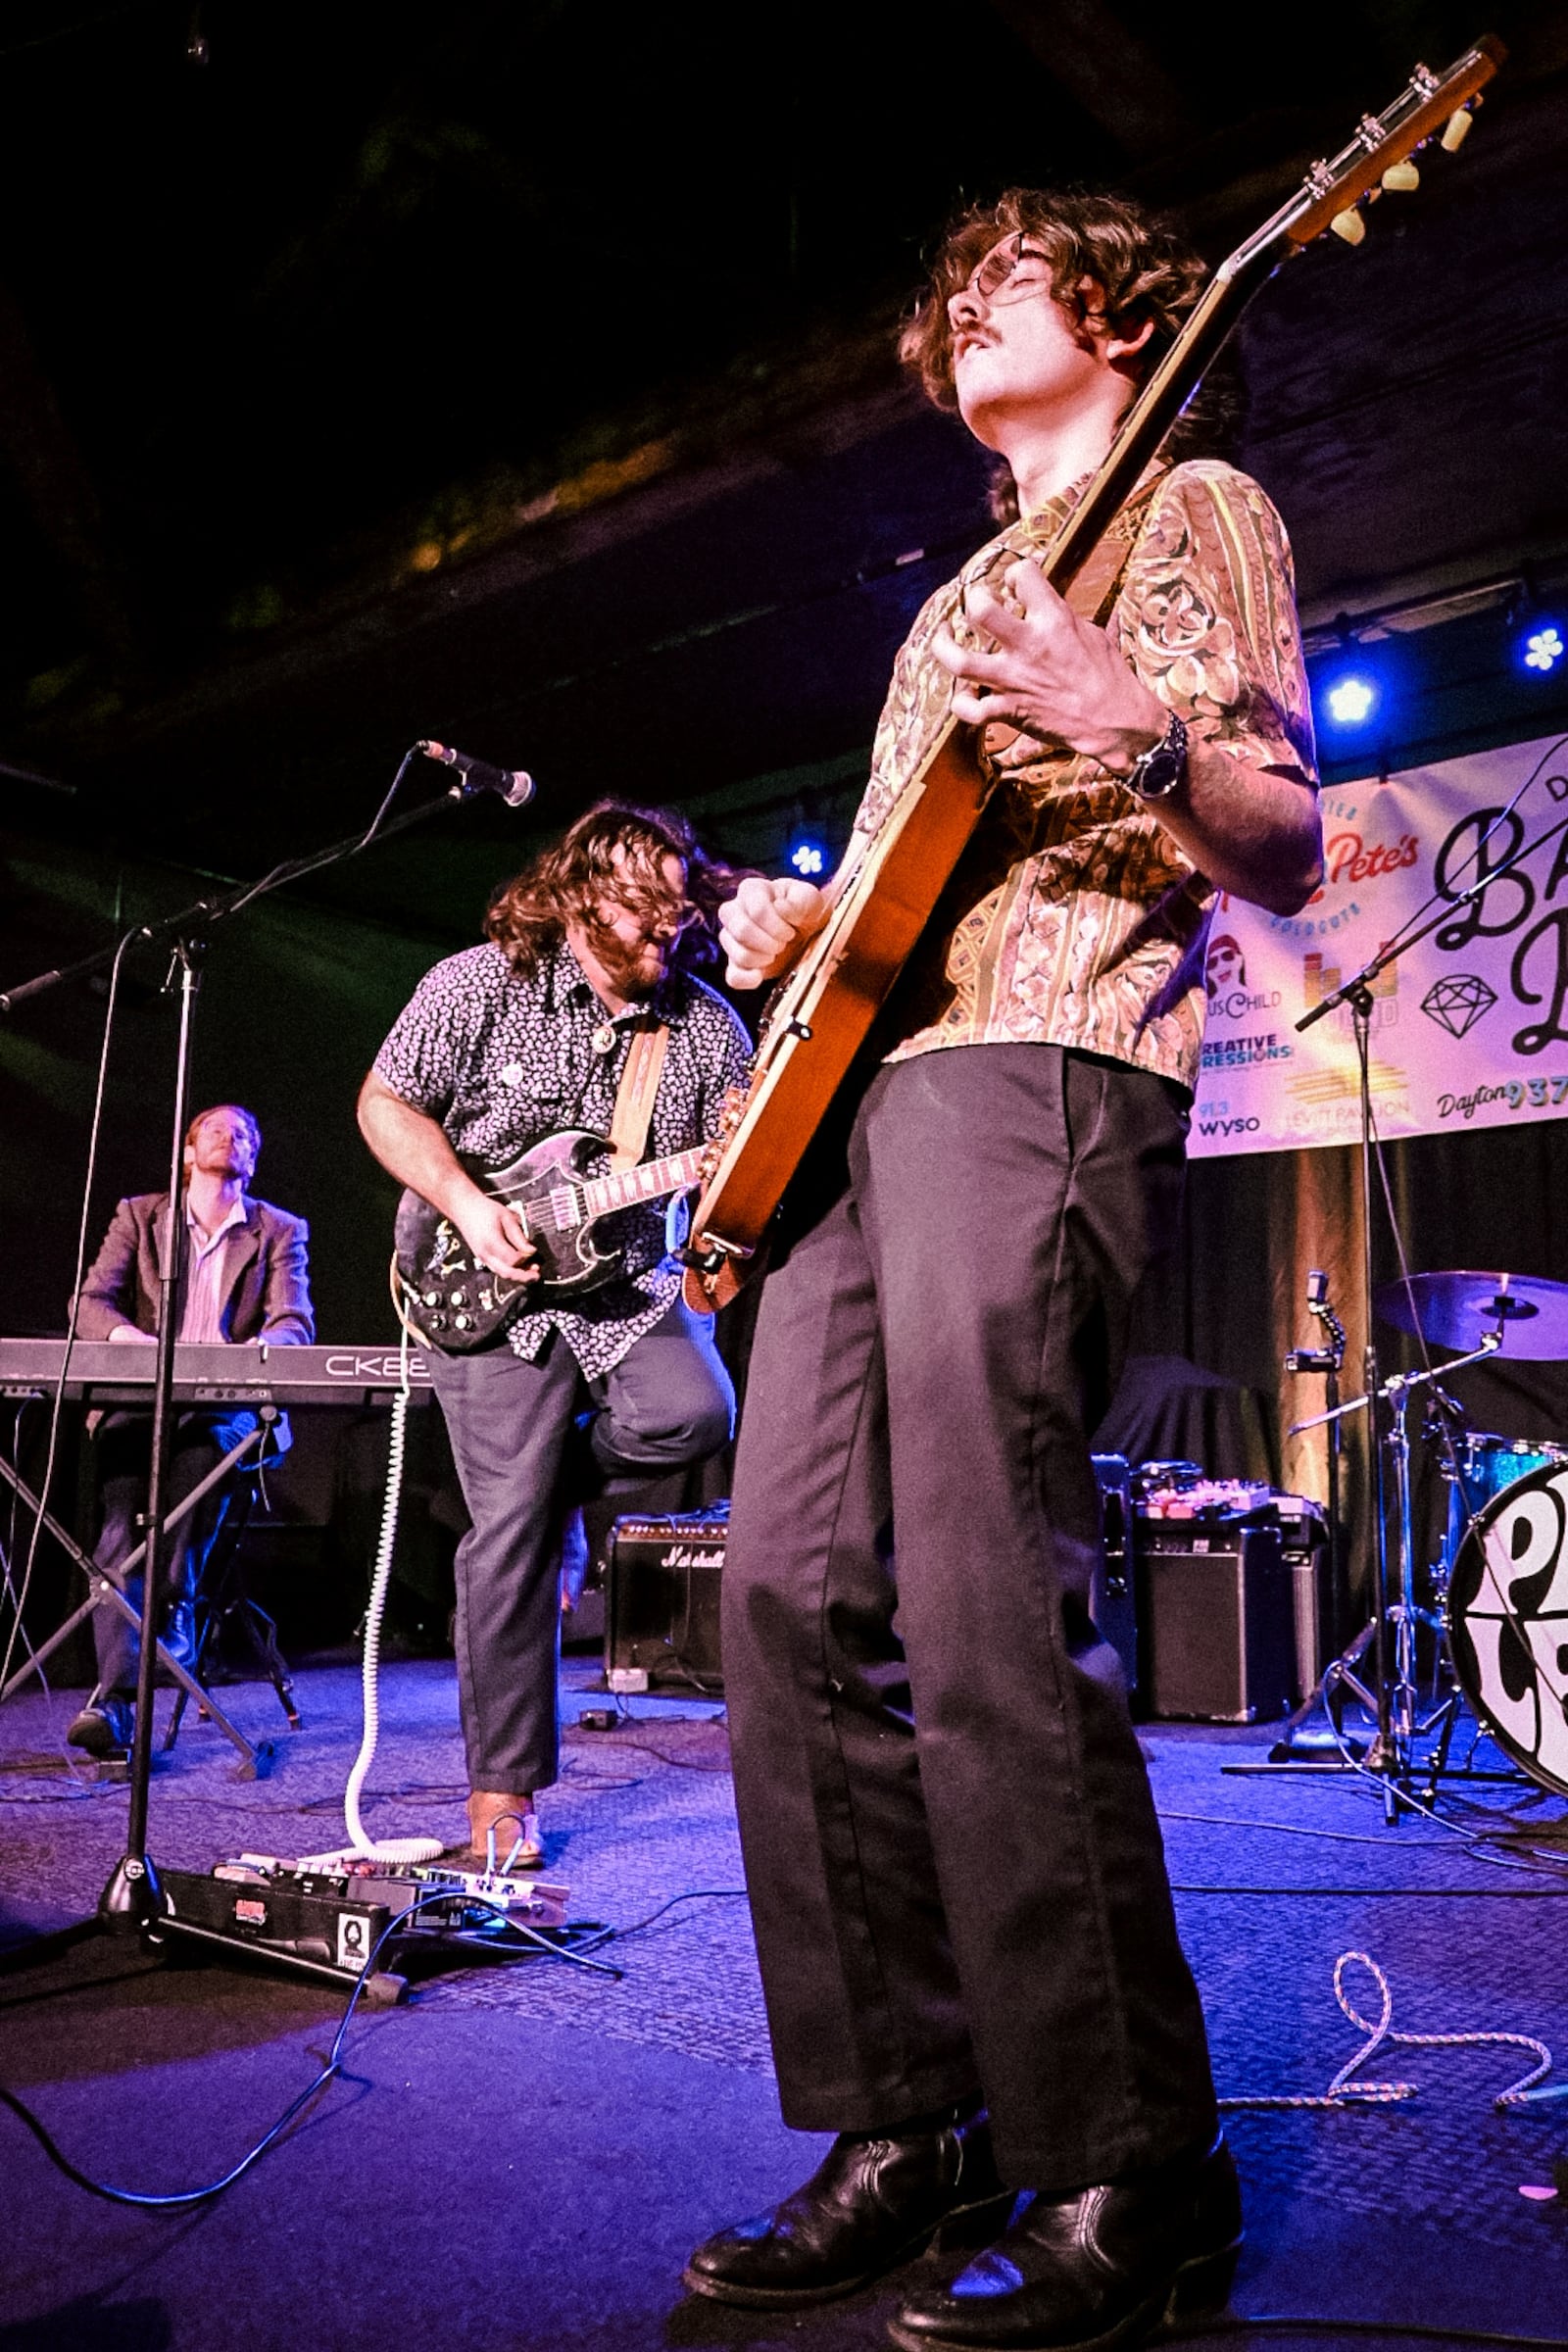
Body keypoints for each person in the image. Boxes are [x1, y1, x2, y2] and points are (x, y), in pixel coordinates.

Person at [682, 191, 1322, 2352]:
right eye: (941, 286)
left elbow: (1281, 830)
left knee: (977, 1595)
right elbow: (887, 884)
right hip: (865, 1094)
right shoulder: (948, 595)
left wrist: (1124, 719)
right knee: (780, 1590)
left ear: (1126, 314)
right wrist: (792, 947)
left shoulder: (1195, 504)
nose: (962, 304)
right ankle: (909, 2113)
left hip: (1046, 1062)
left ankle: (1139, 2161)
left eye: (1009, 277)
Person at [357, 801, 751, 1869]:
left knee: (695, 1414)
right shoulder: (476, 985)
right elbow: (386, 1106)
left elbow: (735, 1192)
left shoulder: (708, 1028)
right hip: (479, 1278)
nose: (661, 942)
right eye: (638, 919)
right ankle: (502, 1792)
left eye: (675, 921)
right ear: (578, 900)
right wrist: (469, 1207)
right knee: (508, 1538)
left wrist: (735, 1197)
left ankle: (561, 1489)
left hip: (622, 1282)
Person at [68, 1103, 314, 1755]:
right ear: (186, 1149)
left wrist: (253, 1352)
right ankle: (118, 1699)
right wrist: (130, 1340)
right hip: (142, 1403)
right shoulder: (140, 1216)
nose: (232, 1137)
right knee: (123, 1528)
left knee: (189, 1492)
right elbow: (90, 1302)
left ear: (253, 1159)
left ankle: (170, 1614)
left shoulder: (279, 1230)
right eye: (216, 1128)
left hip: (224, 1408)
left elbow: (295, 1322)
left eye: (246, 1134)